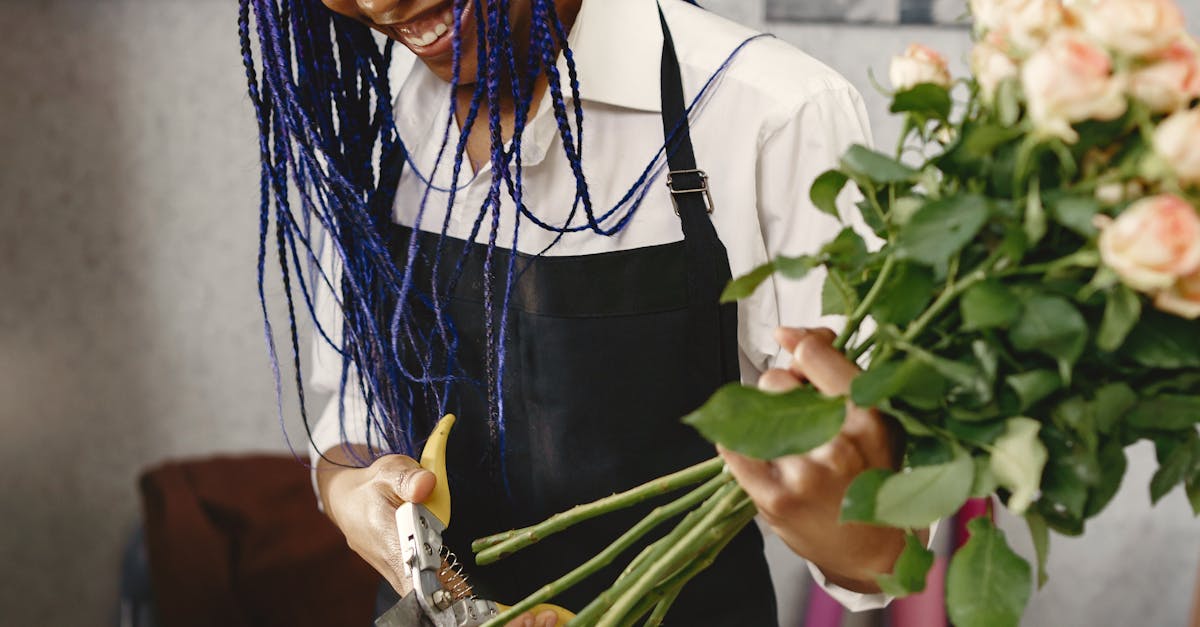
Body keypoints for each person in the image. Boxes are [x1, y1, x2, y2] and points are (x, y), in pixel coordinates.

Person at [240, 0, 927, 624]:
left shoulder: (769, 112)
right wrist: (353, 494)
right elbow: (348, 430)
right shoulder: (368, 108)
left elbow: (885, 550)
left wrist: (853, 530)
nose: (377, 1)